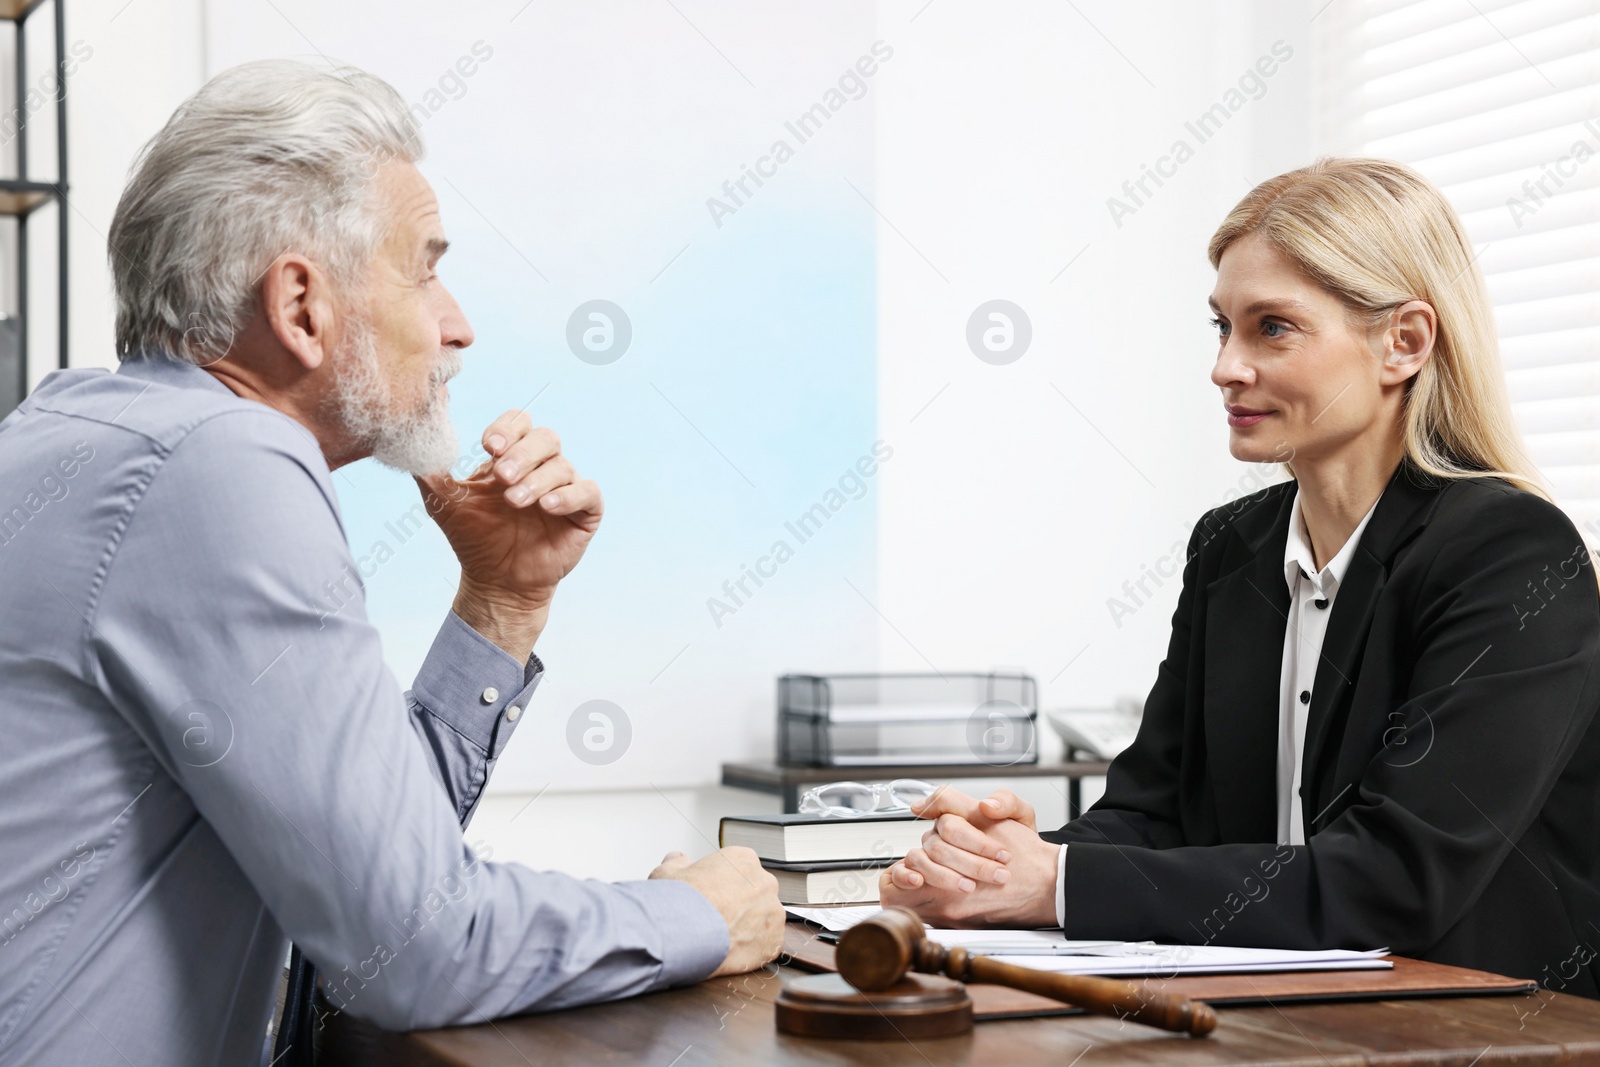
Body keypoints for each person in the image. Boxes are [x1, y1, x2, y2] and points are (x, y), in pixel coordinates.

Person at [0, 59, 782, 1066]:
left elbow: (360, 877)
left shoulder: (64, 431)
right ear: (300, 304)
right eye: (424, 266)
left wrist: (500, 601)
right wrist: (690, 913)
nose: (456, 323)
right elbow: (415, 944)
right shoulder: (224, 462)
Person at [881, 158, 1600, 998]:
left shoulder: (1510, 553)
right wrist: (1007, 865)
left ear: (1403, 341)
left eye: (1273, 329)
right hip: (1281, 1013)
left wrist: (1057, 883)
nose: (1226, 366)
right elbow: (1155, 811)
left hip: (1477, 1030)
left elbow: (1395, 879)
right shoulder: (1232, 546)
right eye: (1221, 326)